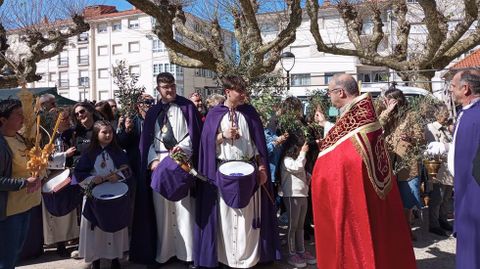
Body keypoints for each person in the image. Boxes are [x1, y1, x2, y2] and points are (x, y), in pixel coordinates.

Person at [311, 74, 416, 269]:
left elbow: (345, 160)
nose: (329, 97)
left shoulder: (359, 122)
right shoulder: (363, 118)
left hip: (356, 199)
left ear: (340, 92)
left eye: (329, 92)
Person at [195, 75, 280, 268]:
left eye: (244, 90)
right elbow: (205, 144)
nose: (243, 94)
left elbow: (258, 145)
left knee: (247, 217)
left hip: (249, 171)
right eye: (239, 91)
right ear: (227, 92)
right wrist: (221, 136)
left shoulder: (250, 113)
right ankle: (227, 258)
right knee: (225, 216)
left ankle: (248, 258)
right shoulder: (214, 114)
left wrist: (261, 167)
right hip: (223, 173)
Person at [130, 72, 202, 267]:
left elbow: (195, 135)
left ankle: (187, 255)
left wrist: (184, 150)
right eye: (164, 87)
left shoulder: (187, 107)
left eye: (171, 86)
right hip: (160, 165)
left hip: (181, 162)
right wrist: (152, 161)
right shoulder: (153, 112)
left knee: (184, 210)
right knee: (161, 211)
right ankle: (164, 253)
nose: (169, 90)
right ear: (158, 89)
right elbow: (146, 142)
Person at [73, 120, 131, 269]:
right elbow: (78, 174)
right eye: (104, 132)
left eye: (110, 132)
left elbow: (128, 170)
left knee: (115, 228)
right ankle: (95, 259)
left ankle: (115, 258)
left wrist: (118, 177)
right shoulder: (88, 153)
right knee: (96, 230)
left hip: (115, 197)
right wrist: (93, 179)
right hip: (95, 197)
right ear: (96, 134)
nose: (108, 135)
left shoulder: (118, 152)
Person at [378, 86, 424, 240]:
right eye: (385, 101)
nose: (386, 103)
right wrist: (387, 111)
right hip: (388, 162)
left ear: (398, 101)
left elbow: (421, 138)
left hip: (407, 164)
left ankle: (406, 228)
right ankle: (393, 229)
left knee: (408, 198)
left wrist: (410, 138)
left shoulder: (412, 115)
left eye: (389, 101)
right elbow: (375, 127)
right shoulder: (385, 115)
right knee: (390, 198)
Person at [0, 99, 42, 269]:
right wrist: (24, 183)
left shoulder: (20, 138)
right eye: (18, 114)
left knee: (14, 255)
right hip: (9, 212)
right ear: (3, 120)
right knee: (6, 259)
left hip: (26, 205)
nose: (23, 118)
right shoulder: (1, 145)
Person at [448, 70, 480, 269]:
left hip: (474, 192)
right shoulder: (466, 113)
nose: (450, 90)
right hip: (465, 189)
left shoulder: (475, 116)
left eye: (452, 86)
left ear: (465, 88)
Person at [42, 108, 79, 257]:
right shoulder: (47, 136)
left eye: (68, 119)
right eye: (63, 120)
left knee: (69, 212)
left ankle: (71, 239)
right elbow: (45, 158)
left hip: (68, 175)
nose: (68, 122)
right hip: (52, 177)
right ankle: (59, 243)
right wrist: (64, 155)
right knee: (56, 213)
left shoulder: (72, 134)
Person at [279, 132, 316, 268]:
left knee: (300, 226)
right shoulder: (287, 159)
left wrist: (308, 176)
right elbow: (297, 167)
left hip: (302, 194)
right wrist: (303, 153)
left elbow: (301, 170)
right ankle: (291, 252)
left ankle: (301, 250)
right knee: (292, 226)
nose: (303, 148)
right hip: (292, 195)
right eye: (300, 146)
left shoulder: (300, 158)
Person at [424, 105, 453, 236]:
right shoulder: (430, 128)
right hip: (437, 168)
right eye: (444, 113)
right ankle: (434, 224)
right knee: (437, 197)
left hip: (448, 169)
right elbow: (431, 149)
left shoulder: (446, 129)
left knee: (446, 196)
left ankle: (443, 219)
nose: (447, 115)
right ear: (437, 114)